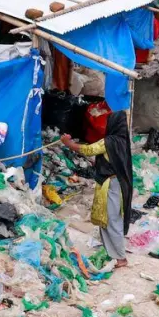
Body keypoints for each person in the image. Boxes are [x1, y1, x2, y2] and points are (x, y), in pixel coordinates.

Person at [61, 111, 134, 268]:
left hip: (112, 185)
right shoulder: (123, 141)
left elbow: (88, 150)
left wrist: (68, 143)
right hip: (119, 184)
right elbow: (113, 160)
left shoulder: (109, 141)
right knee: (108, 219)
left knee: (111, 220)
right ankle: (113, 253)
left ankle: (121, 258)